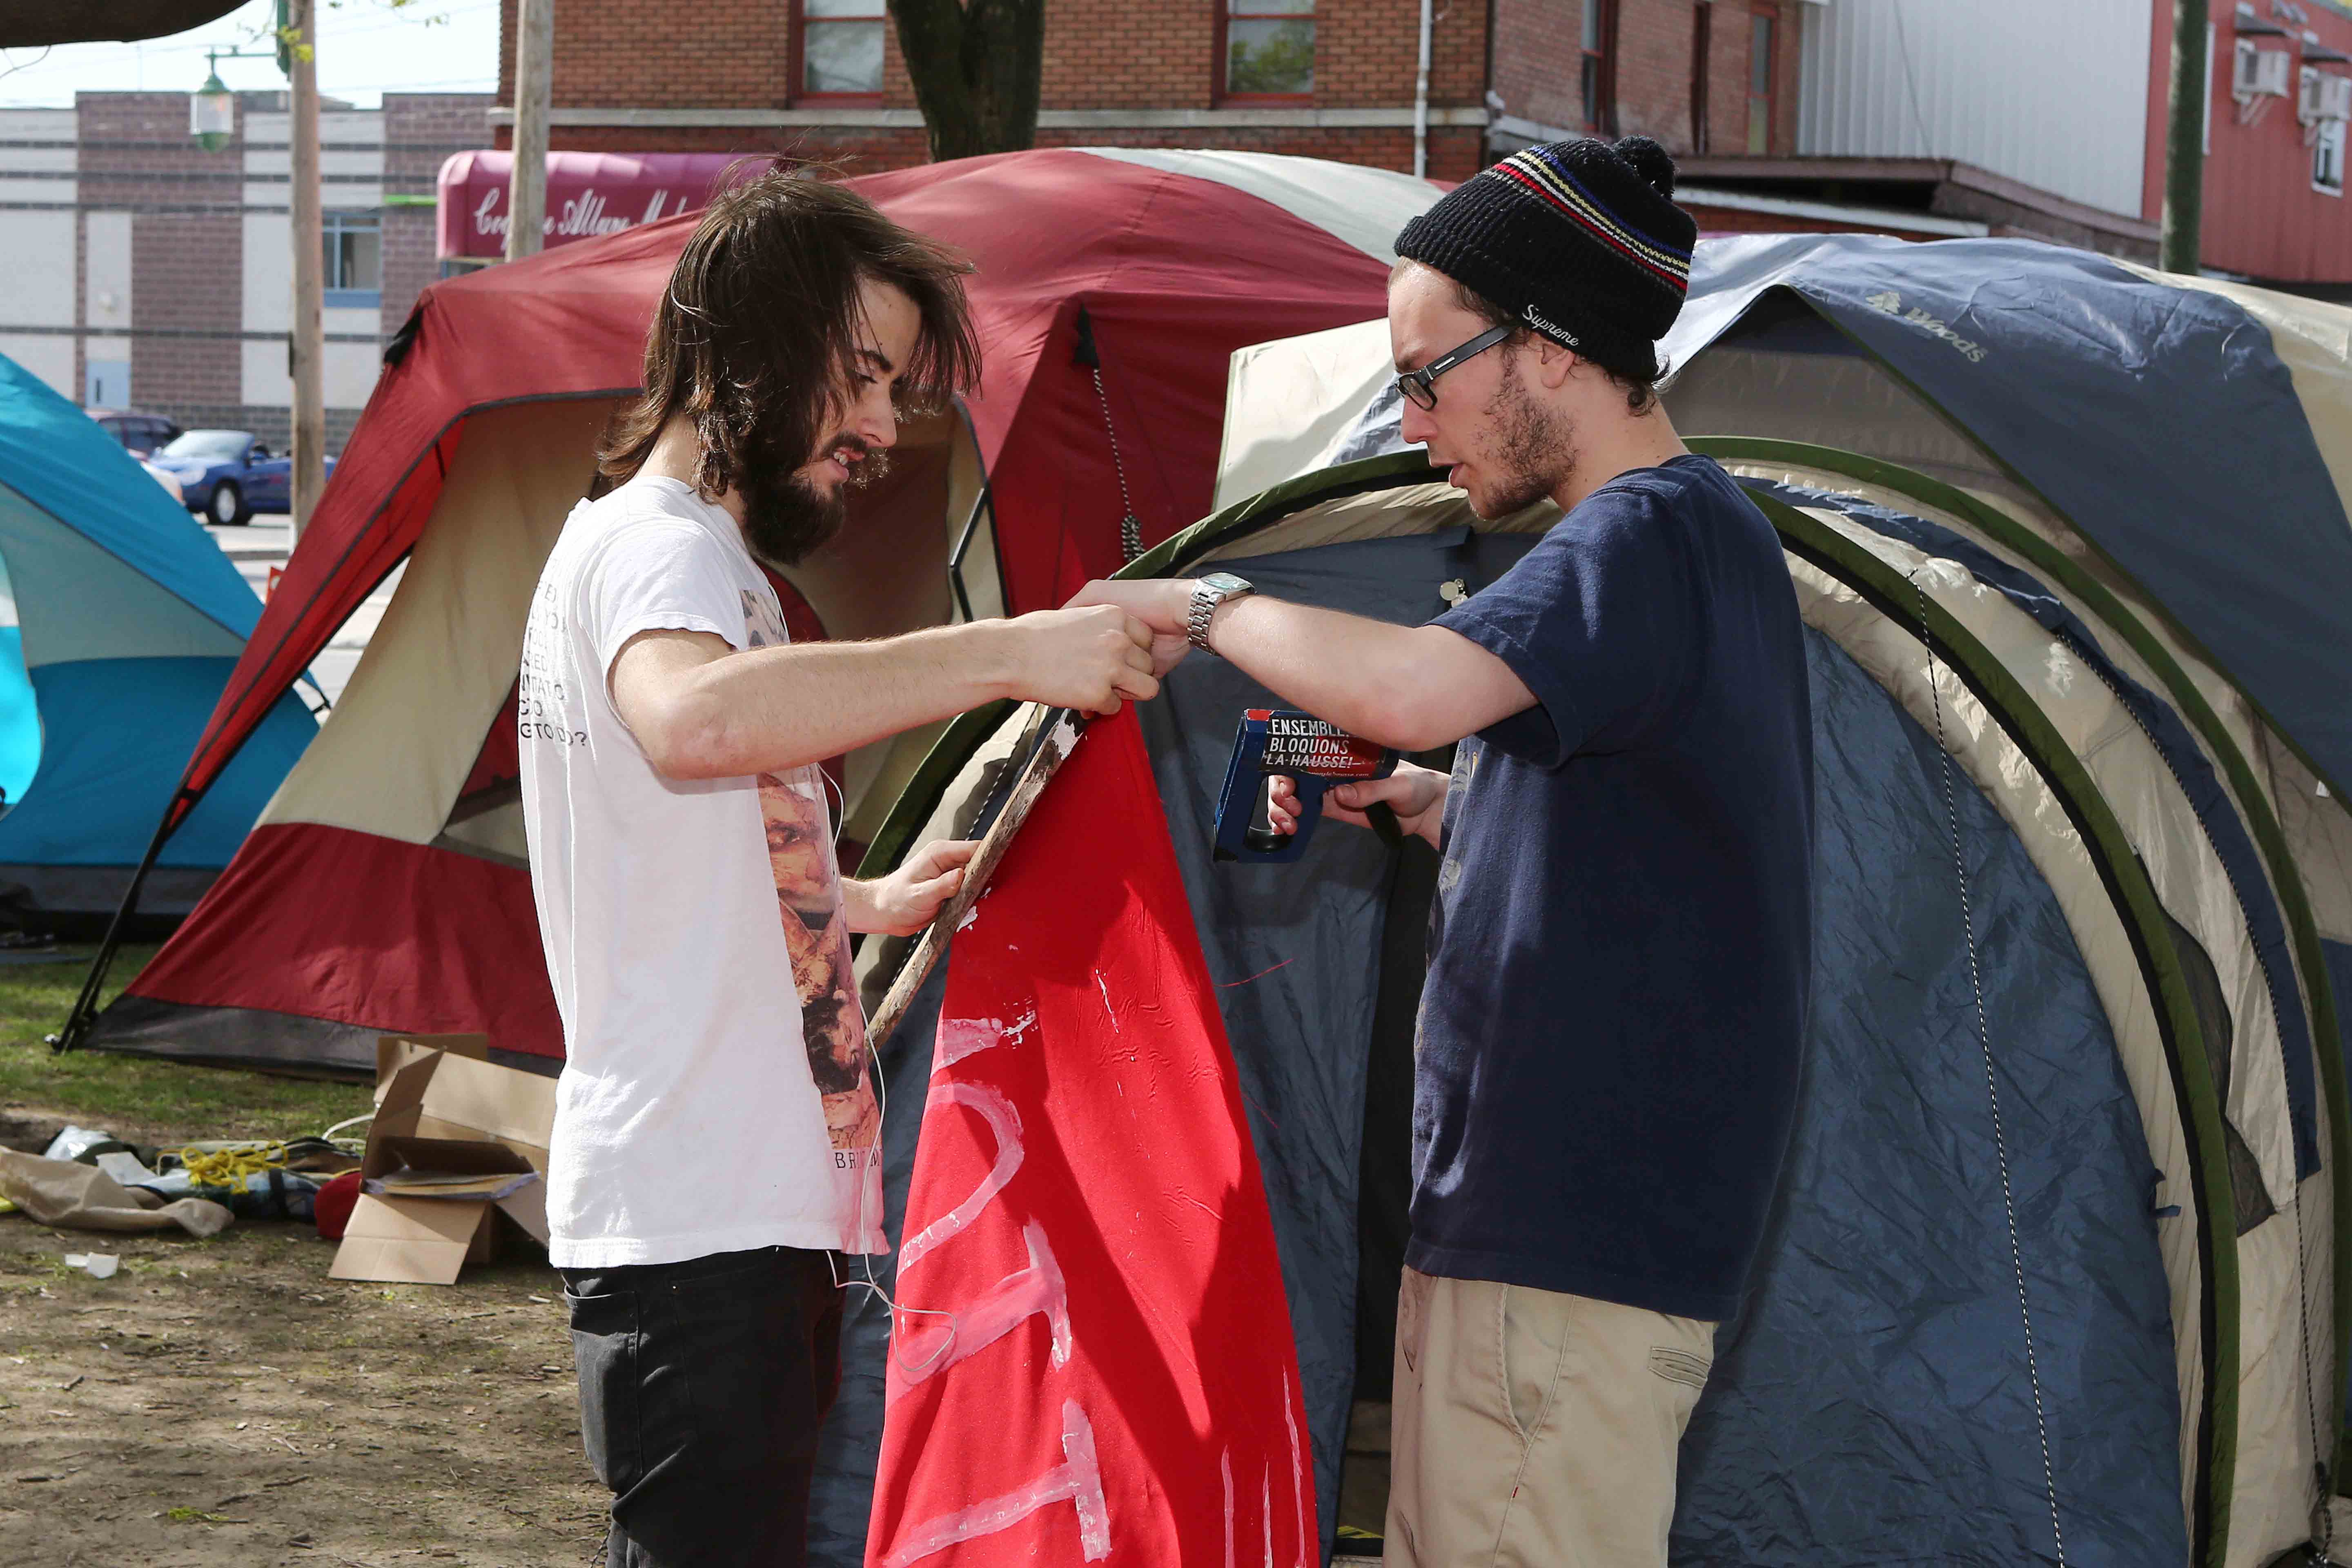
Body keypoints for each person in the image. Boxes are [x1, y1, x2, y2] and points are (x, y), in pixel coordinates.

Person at [1071, 137, 1813, 1567]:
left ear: (1548, 348)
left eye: (1428, 376)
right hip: (1540, 1237)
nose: (1415, 422)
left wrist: (1203, 598)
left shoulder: (1639, 537)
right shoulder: (1700, 542)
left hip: (1561, 1241)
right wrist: (1450, 802)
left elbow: (1413, 684)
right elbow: (1677, 833)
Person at [517, 170, 1161, 1568]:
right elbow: (693, 725)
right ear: (744, 344)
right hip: (698, 1217)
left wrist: (855, 899)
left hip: (740, 1205)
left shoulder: (703, 560)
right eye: (859, 377)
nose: (880, 428)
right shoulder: (657, 549)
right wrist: (1013, 650)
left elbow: (675, 828)